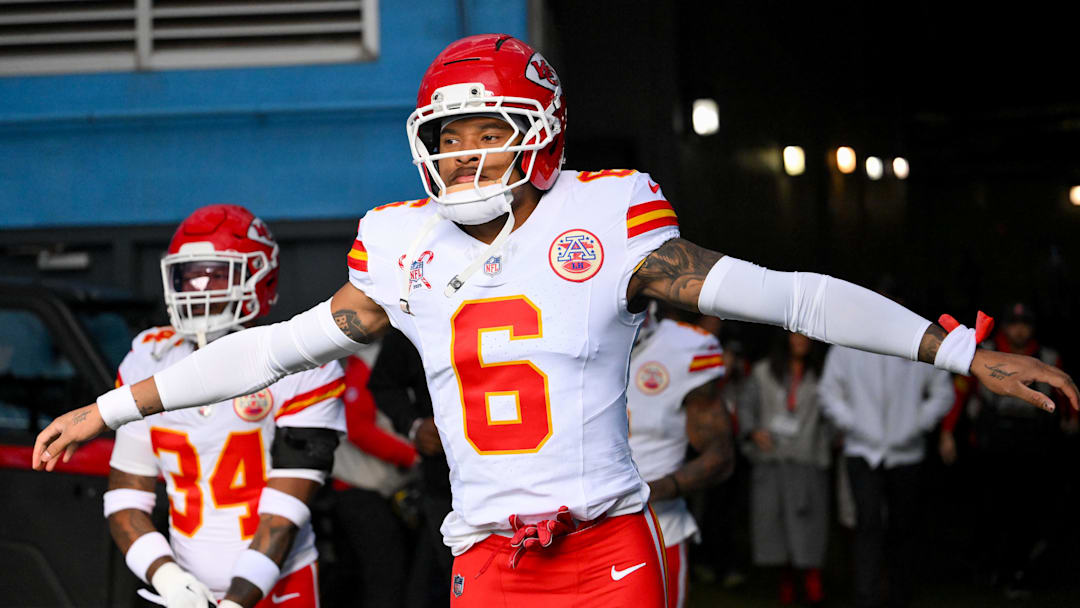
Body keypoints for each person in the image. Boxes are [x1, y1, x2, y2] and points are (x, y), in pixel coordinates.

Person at [35, 34, 1078, 607]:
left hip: (607, 547)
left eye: (484, 132)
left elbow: (786, 293)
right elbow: (274, 347)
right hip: (485, 556)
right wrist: (112, 406)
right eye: (446, 137)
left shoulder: (608, 218)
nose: (461, 158)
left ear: (537, 135)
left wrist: (956, 349)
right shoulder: (401, 241)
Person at [103, 205, 346, 608]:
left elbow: (285, 514)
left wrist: (234, 602)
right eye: (189, 276)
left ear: (259, 277)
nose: (199, 289)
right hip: (186, 588)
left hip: (280, 585)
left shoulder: (303, 368)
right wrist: (168, 578)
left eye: (216, 274)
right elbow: (125, 498)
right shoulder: (147, 359)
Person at [818, 336, 955, 608]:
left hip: (907, 453)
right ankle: (866, 597)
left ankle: (899, 595)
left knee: (903, 527)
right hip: (862, 451)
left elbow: (943, 392)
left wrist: (916, 423)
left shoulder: (918, 342)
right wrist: (853, 422)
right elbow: (828, 392)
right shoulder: (847, 343)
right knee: (867, 524)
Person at [626, 307, 734, 608]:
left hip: (657, 529)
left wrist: (651, 490)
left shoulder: (686, 348)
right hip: (574, 532)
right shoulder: (563, 340)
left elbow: (720, 455)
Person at [970, 302, 1071, 598]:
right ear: (1004, 326)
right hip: (994, 444)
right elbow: (964, 392)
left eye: (1025, 323)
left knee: (1027, 509)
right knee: (991, 507)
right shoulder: (984, 352)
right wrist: (952, 432)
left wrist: (1069, 419)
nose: (1019, 330)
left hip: (1033, 444)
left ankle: (1018, 571)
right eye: (1014, 323)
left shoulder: (1046, 358)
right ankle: (988, 569)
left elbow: (1063, 394)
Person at [738, 331, 831, 605]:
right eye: (795, 335)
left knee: (809, 526)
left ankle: (814, 587)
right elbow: (745, 406)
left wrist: (827, 441)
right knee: (774, 525)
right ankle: (785, 587)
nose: (800, 340)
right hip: (772, 459)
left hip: (807, 460)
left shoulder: (822, 374)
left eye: (805, 336)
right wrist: (752, 431)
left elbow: (834, 414)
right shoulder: (763, 371)